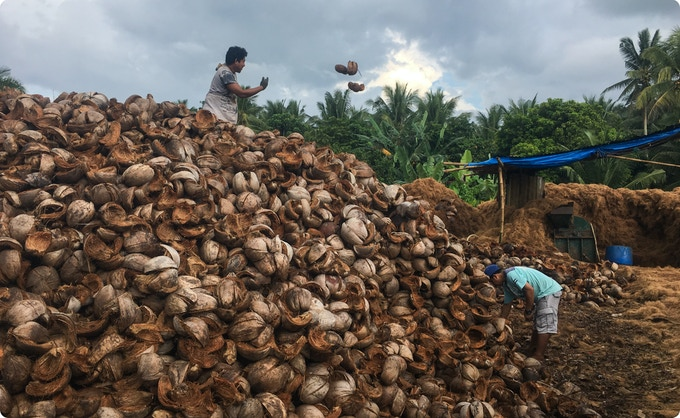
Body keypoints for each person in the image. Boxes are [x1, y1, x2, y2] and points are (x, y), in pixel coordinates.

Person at [484, 264, 563, 362]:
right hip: (541, 295)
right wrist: (501, 321)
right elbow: (507, 304)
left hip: (548, 292)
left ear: (495, 277)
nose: (493, 285)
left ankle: (539, 355)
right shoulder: (506, 284)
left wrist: (528, 310)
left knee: (545, 322)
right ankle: (532, 349)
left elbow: (529, 290)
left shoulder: (511, 275)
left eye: (492, 282)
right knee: (538, 322)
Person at [202, 46, 268, 124]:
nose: (244, 65)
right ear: (236, 61)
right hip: (214, 115)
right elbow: (241, 93)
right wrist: (261, 87)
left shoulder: (228, 70)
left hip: (221, 115)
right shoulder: (226, 73)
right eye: (243, 61)